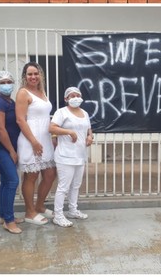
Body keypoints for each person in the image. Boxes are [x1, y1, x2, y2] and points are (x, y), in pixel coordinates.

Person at [15, 62, 57, 226]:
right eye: (29, 74)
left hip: (45, 139)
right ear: (25, 76)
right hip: (30, 138)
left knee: (50, 174)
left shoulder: (41, 92)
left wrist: (52, 136)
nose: (33, 77)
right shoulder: (23, 93)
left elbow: (47, 117)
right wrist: (33, 141)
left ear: (41, 75)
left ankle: (39, 205)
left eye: (36, 73)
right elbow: (20, 119)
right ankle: (29, 211)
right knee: (31, 176)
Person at [49, 87, 93, 228]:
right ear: (66, 99)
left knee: (76, 185)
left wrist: (90, 136)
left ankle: (73, 210)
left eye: (77, 95)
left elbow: (88, 129)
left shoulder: (84, 113)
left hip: (80, 155)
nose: (75, 98)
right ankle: (58, 215)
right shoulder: (61, 112)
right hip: (65, 155)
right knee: (64, 187)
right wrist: (69, 132)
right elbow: (52, 128)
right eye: (71, 96)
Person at [0, 70, 22, 234]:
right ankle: (9, 221)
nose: (6, 85)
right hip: (1, 148)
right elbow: (0, 129)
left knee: (5, 182)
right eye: (2, 82)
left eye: (9, 81)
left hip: (10, 147)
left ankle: (4, 215)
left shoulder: (10, 101)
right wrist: (11, 150)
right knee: (12, 181)